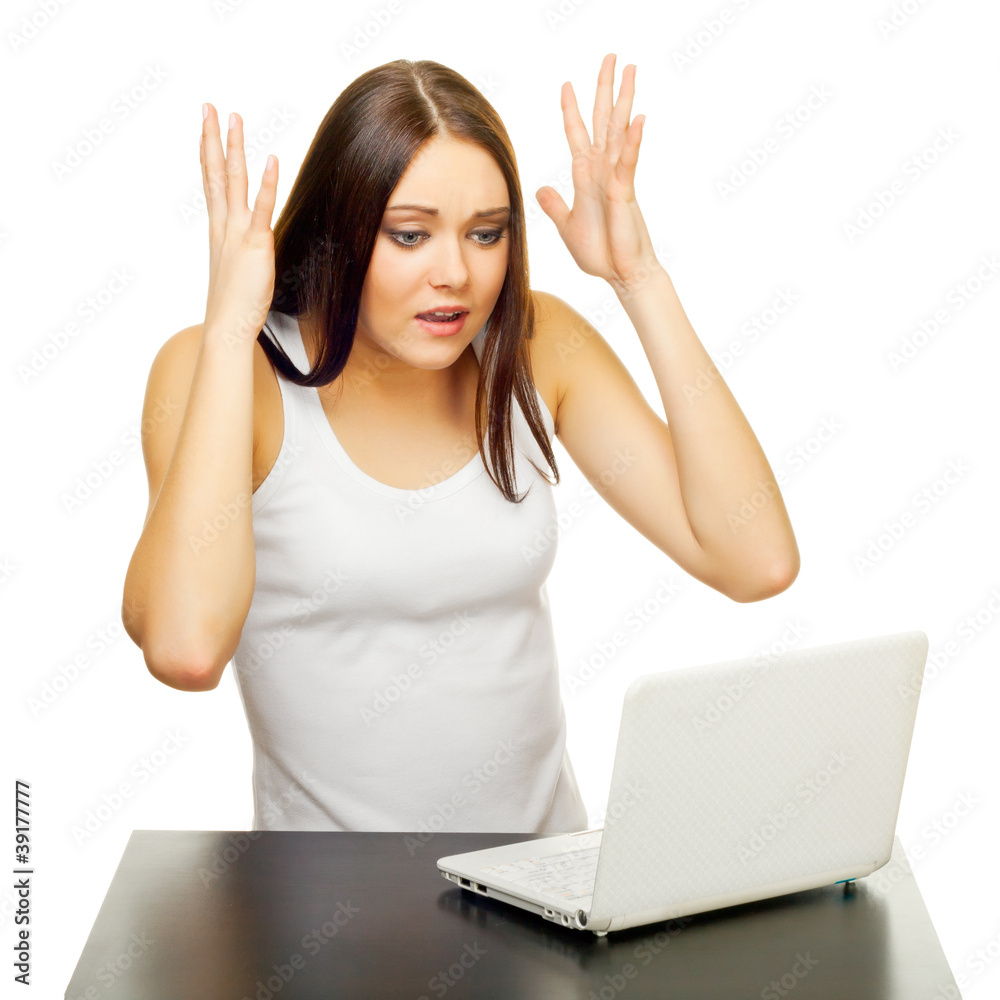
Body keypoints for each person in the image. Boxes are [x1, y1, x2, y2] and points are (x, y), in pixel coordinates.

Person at [121, 53, 799, 834]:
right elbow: (184, 648)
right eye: (410, 235)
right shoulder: (227, 372)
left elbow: (757, 562)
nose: (456, 274)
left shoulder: (538, 348)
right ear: (338, 233)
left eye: (486, 234)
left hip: (546, 898)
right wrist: (231, 329)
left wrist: (639, 278)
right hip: (329, 920)